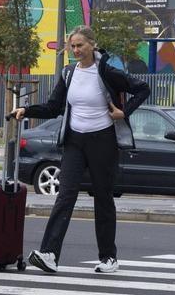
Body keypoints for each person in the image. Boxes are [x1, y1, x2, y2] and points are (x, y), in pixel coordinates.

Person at [10, 27, 149, 275]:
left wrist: (123, 113)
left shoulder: (106, 71)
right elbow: (54, 107)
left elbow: (142, 88)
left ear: (92, 45)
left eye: (80, 45)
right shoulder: (68, 73)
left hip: (103, 141)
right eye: (72, 46)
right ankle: (49, 253)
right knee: (65, 195)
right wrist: (26, 110)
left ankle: (108, 257)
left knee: (103, 198)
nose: (76, 50)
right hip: (75, 141)